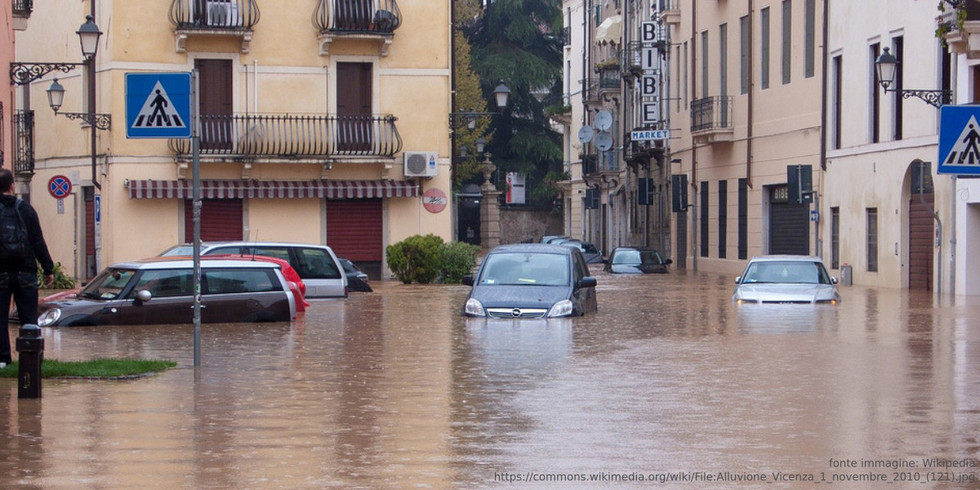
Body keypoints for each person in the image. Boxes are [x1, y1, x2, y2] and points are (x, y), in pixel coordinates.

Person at [0, 169, 54, 368]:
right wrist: (48, 269)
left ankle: (3, 359)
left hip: (1, 272)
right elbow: (38, 241)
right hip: (26, 272)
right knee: (29, 318)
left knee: (1, 318)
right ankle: (32, 357)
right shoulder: (26, 209)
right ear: (12, 185)